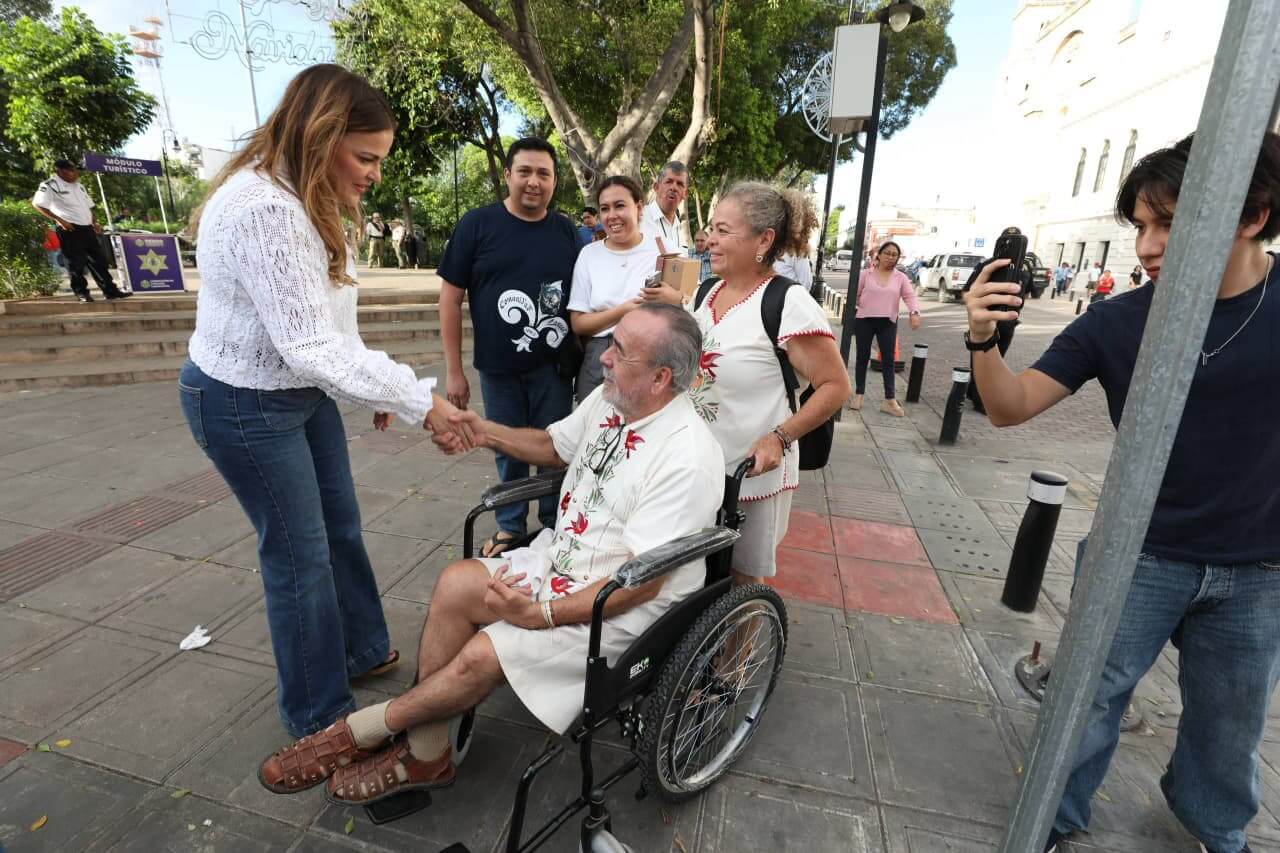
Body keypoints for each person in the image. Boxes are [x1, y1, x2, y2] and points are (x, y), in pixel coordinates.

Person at [256, 303, 725, 804]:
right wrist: (482, 431)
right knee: (456, 584)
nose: (604, 358)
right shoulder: (612, 402)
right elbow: (553, 444)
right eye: (610, 344)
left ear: (660, 378)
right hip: (561, 561)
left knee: (483, 653)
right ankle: (428, 749)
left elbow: (642, 583)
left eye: (620, 352)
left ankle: (359, 730)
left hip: (621, 609)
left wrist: (537, 614)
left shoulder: (687, 456)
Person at [965, 132, 1280, 853]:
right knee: (1087, 700)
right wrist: (983, 339)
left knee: (1230, 723)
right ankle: (1052, 811)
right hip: (1136, 555)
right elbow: (1011, 406)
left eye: (1169, 221)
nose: (1146, 244)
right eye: (1140, 225)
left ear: (1251, 215)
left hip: (1259, 569)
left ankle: (1213, 824)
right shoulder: (1116, 320)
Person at [177, 64, 469, 739]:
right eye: (365, 157)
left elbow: (327, 323)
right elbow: (309, 342)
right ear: (321, 133)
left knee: (341, 528)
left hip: (298, 392)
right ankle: (319, 716)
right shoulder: (264, 209)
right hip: (242, 402)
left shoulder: (307, 197)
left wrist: (360, 383)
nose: (373, 174)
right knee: (299, 557)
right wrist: (417, 398)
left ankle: (363, 650)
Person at [691, 182, 850, 584]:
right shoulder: (705, 291)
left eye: (723, 231)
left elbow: (834, 385)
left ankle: (741, 650)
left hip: (749, 474)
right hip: (694, 467)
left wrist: (779, 438)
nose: (710, 239)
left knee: (741, 581)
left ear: (763, 239)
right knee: (690, 576)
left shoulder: (788, 303)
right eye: (712, 228)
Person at [438, 137, 580, 557]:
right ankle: (510, 526)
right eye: (525, 172)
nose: (534, 182)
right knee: (505, 446)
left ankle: (556, 525)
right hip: (497, 369)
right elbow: (449, 297)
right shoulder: (477, 224)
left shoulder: (567, 232)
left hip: (553, 368)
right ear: (507, 175)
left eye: (544, 174)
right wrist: (454, 369)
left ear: (554, 181)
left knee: (554, 448)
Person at [567, 175, 679, 401]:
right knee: (595, 431)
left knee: (643, 431)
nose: (612, 215)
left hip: (652, 354)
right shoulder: (589, 254)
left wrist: (675, 298)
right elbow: (578, 323)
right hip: (599, 356)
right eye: (605, 209)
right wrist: (623, 311)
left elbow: (685, 303)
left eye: (620, 205)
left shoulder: (665, 249)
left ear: (639, 208)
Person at [31, 158, 129, 302]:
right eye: (73, 170)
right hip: (70, 229)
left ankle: (111, 291)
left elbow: (88, 206)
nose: (76, 173)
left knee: (100, 261)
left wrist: (95, 222)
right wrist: (59, 220)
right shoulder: (50, 185)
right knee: (76, 264)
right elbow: (38, 204)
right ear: (61, 171)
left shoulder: (79, 186)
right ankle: (81, 292)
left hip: (87, 228)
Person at [849, 240, 921, 416]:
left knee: (888, 360)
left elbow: (909, 296)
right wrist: (866, 306)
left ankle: (889, 399)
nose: (890, 257)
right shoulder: (866, 274)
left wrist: (914, 312)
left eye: (894, 255)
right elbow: (855, 295)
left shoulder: (900, 277)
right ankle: (859, 394)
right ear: (879, 255)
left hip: (887, 322)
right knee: (862, 357)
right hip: (865, 320)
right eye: (887, 253)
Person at [641, 161, 689, 250]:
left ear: (685, 194)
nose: (673, 188)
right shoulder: (639, 218)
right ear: (656, 187)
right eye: (669, 182)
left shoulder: (679, 227)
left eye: (680, 184)